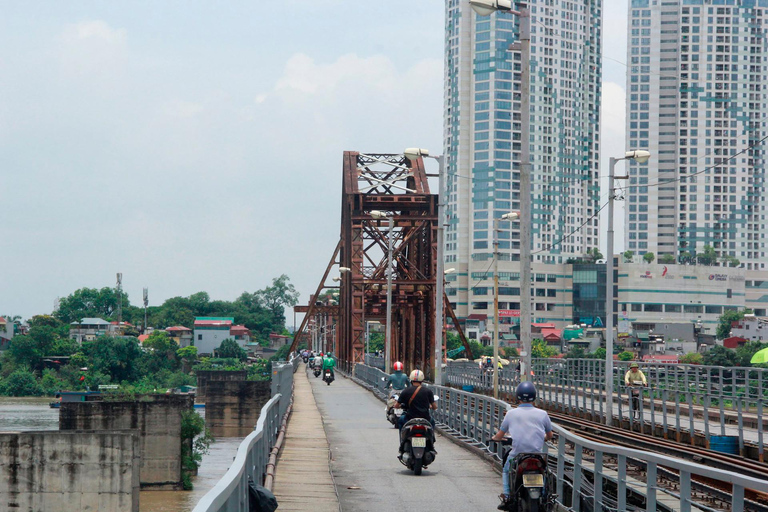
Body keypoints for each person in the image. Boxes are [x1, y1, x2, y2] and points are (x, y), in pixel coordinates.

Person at [491, 382, 553, 511]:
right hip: (537, 455)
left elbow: (500, 434)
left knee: (506, 469)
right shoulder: (543, 414)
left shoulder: (511, 414)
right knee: (546, 472)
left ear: (518, 397)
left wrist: (495, 439)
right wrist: (545, 438)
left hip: (518, 454)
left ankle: (507, 496)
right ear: (534, 397)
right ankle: (546, 496)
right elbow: (550, 434)